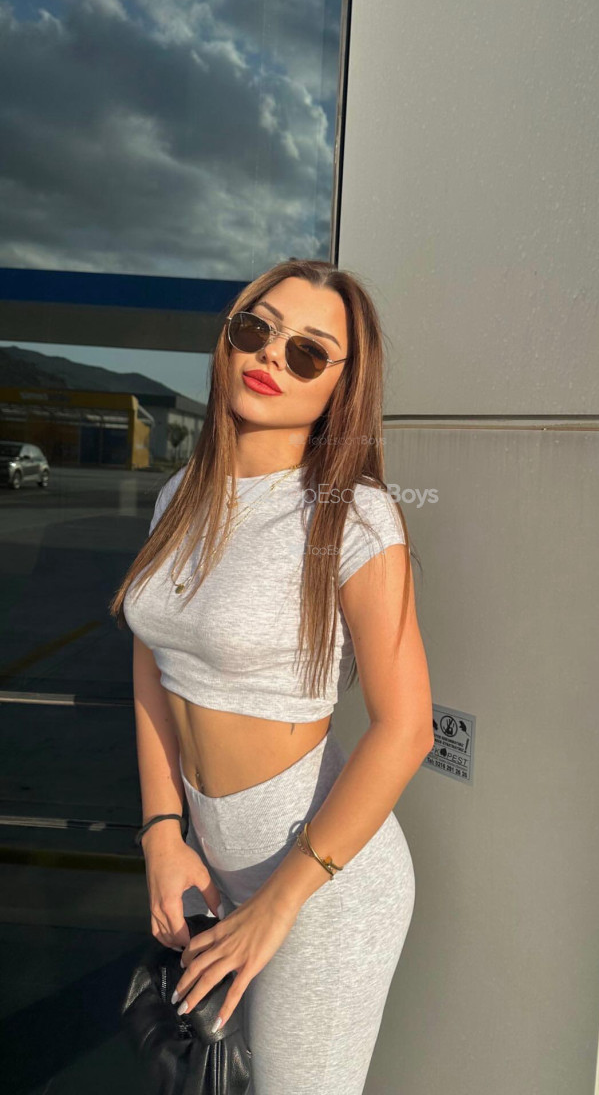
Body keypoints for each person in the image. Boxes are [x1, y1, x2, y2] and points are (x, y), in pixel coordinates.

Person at [111, 257, 434, 1095]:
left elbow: (406, 729)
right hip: (213, 863)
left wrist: (281, 901)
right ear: (227, 338)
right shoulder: (179, 495)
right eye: (256, 329)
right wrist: (162, 833)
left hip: (322, 882)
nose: (269, 355)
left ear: (340, 386)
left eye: (306, 351)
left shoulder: (351, 515)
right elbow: (153, 658)